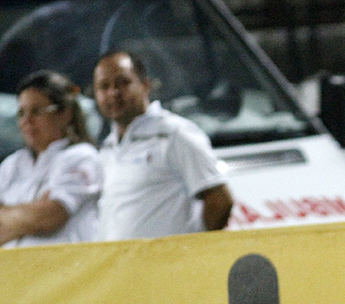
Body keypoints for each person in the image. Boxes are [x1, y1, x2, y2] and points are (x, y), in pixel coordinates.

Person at [93, 51, 234, 240]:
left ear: (145, 85)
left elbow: (220, 201)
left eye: (123, 83)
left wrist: (190, 251)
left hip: (169, 267)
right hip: (120, 268)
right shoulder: (108, 147)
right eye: (104, 86)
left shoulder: (175, 134)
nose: (113, 93)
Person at [0, 70, 100, 248]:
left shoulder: (82, 157)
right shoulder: (12, 165)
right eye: (22, 113)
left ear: (65, 114)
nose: (27, 121)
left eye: (36, 111)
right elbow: (38, 217)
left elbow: (51, 217)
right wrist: (33, 211)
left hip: (61, 271)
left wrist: (8, 215)